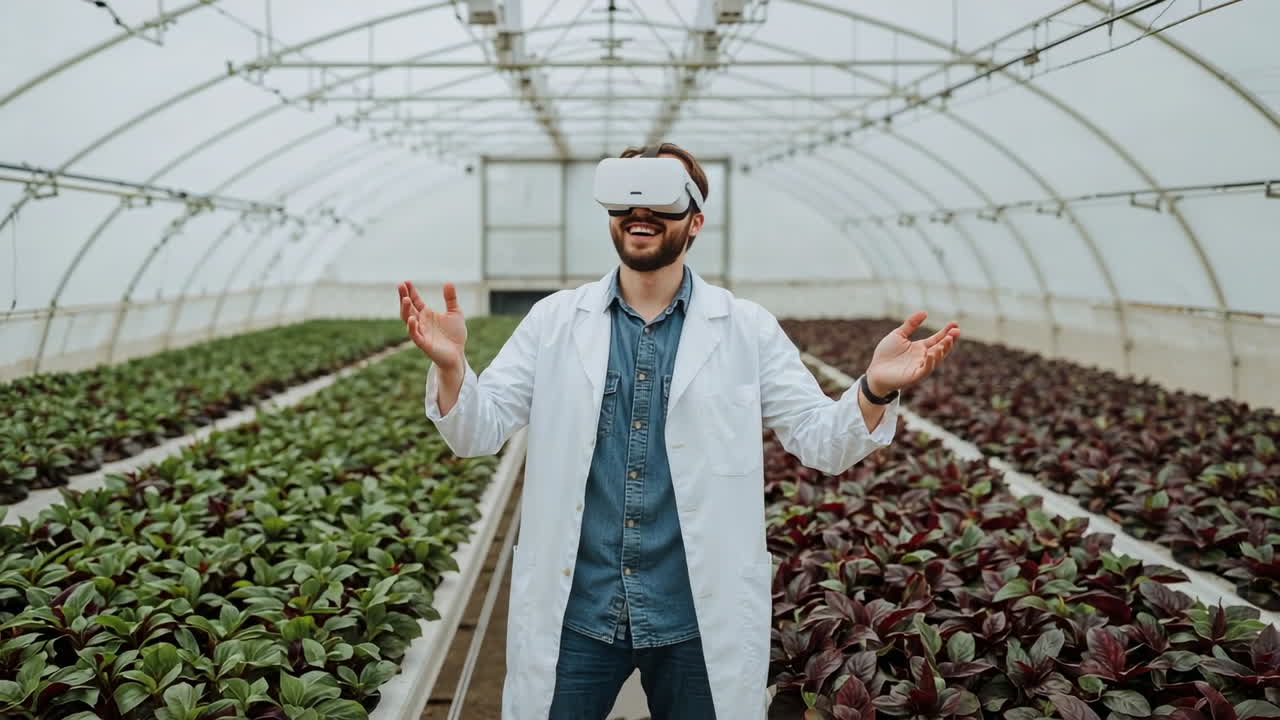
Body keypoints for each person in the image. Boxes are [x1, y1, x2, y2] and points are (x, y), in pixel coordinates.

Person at [397, 142, 959, 720]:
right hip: (577, 612)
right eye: (625, 201)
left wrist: (874, 387)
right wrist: (451, 368)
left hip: (694, 615)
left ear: (695, 221)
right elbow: (476, 431)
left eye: (662, 201)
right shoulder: (555, 322)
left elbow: (823, 440)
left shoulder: (746, 329)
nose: (639, 214)